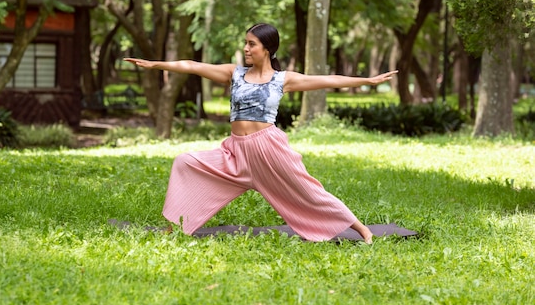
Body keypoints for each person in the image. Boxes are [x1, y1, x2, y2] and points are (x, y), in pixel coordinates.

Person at [125, 23, 397, 244]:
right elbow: (192, 65)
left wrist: (368, 80)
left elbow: (329, 80)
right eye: (245, 43)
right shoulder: (234, 74)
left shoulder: (283, 79)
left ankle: (363, 230)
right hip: (235, 152)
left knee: (309, 191)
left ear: (267, 49)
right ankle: (175, 228)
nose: (245, 48)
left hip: (269, 150)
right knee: (185, 162)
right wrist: (156, 65)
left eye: (251, 44)